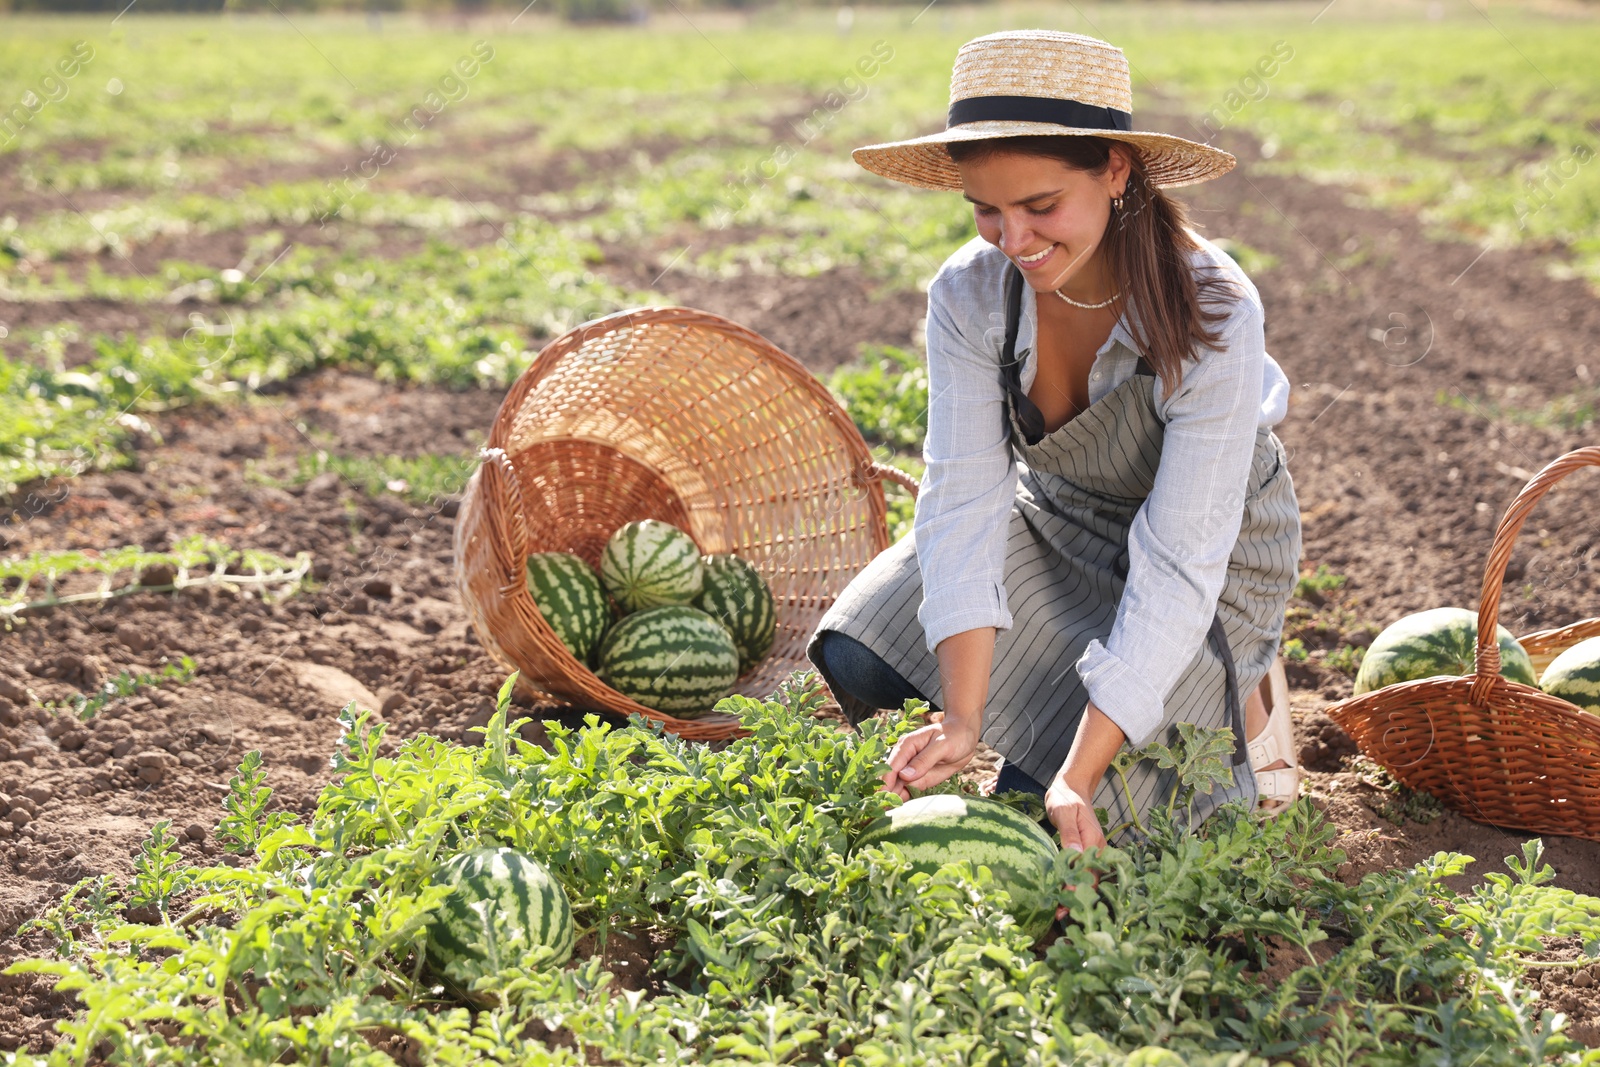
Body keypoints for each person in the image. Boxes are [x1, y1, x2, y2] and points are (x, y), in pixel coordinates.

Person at [804, 29, 1302, 853]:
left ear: (1115, 171)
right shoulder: (972, 293)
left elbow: (1178, 560)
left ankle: (1237, 683)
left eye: (1040, 206)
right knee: (862, 658)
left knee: (1051, 801)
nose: (1015, 239)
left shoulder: (1213, 311)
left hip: (1209, 563)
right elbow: (962, 497)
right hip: (1056, 522)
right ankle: (1064, 696)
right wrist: (961, 717)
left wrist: (1078, 772)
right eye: (986, 210)